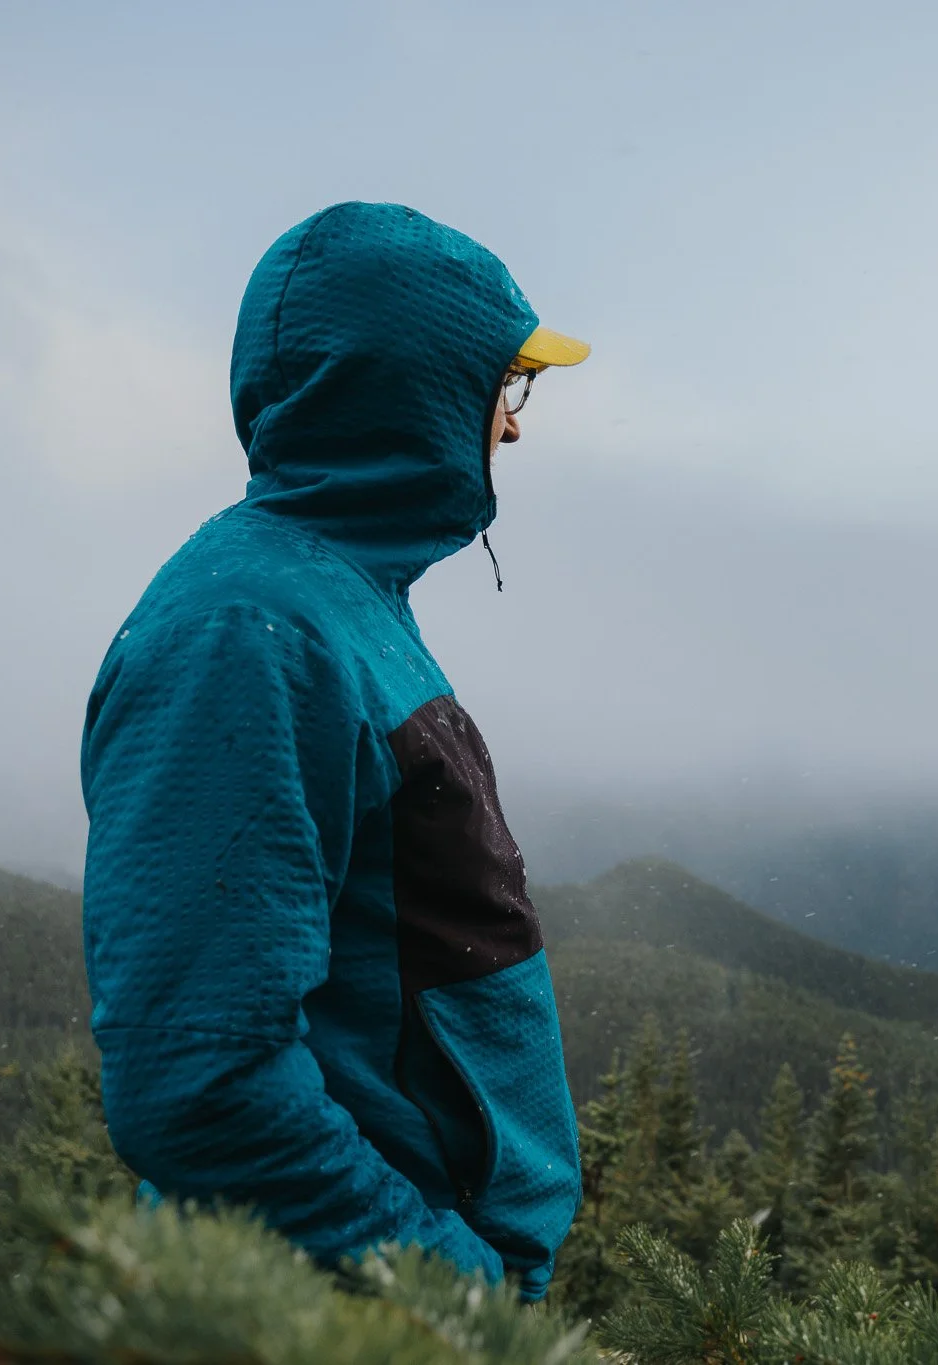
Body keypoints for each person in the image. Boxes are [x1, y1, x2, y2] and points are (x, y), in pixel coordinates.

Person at [79, 202, 587, 1299]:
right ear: (411, 390)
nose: (513, 427)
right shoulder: (245, 632)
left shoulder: (336, 600)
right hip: (341, 1317)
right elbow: (196, 1085)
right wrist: (452, 1297)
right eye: (503, 386)